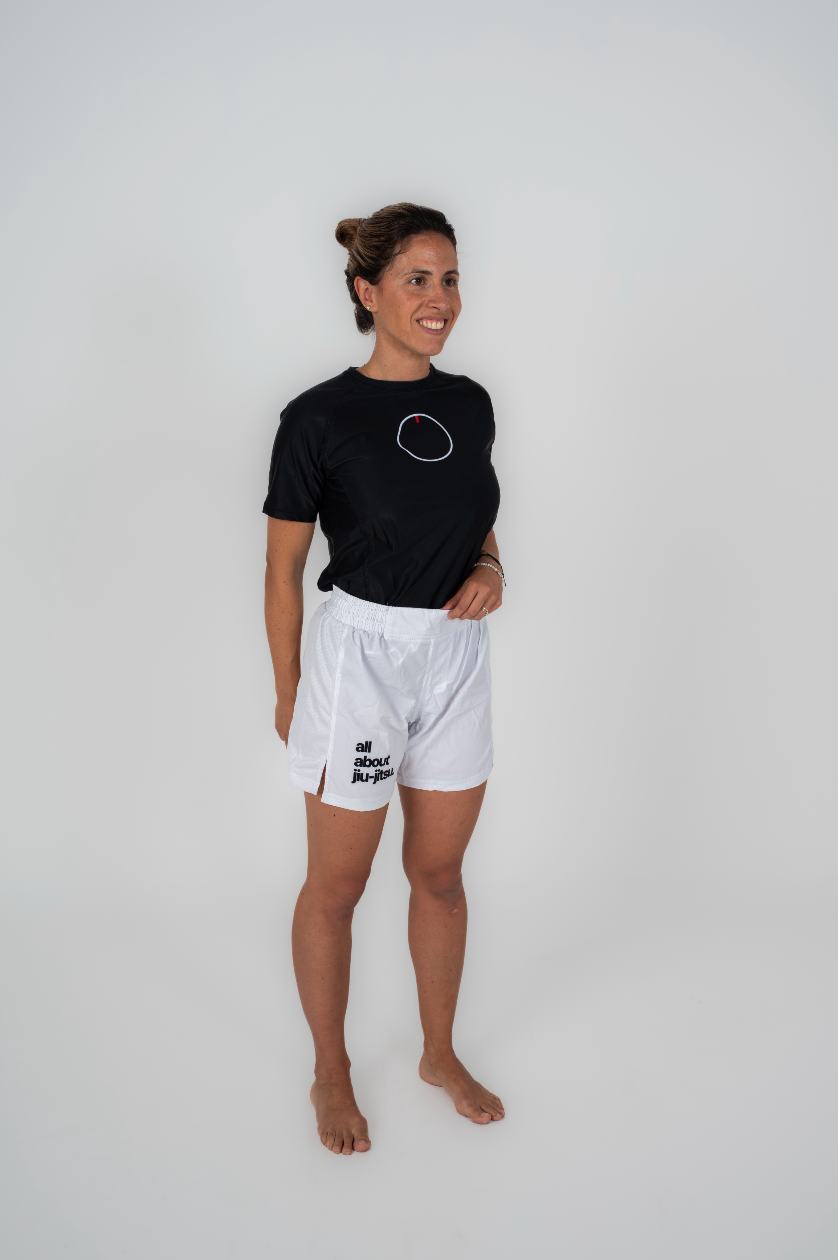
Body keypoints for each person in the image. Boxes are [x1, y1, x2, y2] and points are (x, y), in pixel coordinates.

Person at [263, 203, 505, 1155]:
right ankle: (331, 1068)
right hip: (358, 659)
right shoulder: (317, 417)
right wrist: (291, 691)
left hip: (454, 655)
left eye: (449, 278)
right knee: (338, 885)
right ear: (367, 293)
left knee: (440, 874)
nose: (440, 298)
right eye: (417, 280)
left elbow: (475, 517)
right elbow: (282, 570)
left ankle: (437, 1053)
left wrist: (492, 568)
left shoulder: (472, 403)